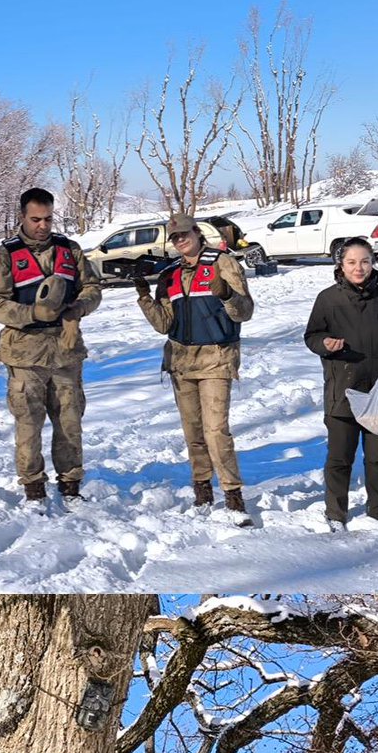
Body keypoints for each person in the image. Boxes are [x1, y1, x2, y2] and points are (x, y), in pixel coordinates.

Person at [0, 187, 101, 505]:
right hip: (25, 351)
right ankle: (33, 486)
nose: (43, 226)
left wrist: (78, 308)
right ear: (22, 217)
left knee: (70, 419)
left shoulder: (70, 250)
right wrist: (32, 313)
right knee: (28, 421)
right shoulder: (4, 256)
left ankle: (71, 484)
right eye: (36, 219)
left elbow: (92, 287)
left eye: (48, 219)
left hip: (65, 348)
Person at [134, 213, 254, 524]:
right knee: (193, 432)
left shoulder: (222, 263)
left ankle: (233, 494)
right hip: (181, 361)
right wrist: (144, 296)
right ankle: (202, 489)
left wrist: (226, 293)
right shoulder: (171, 274)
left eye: (185, 234)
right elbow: (163, 324)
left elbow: (245, 312)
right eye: (175, 237)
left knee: (216, 431)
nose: (180, 240)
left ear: (198, 233)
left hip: (216, 358)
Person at [304, 237, 378, 531]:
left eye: (365, 261)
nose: (359, 268)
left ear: (372, 263)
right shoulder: (328, 299)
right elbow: (312, 336)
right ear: (341, 265)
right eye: (352, 262)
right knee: (340, 457)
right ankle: (336, 513)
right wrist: (325, 343)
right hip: (343, 390)